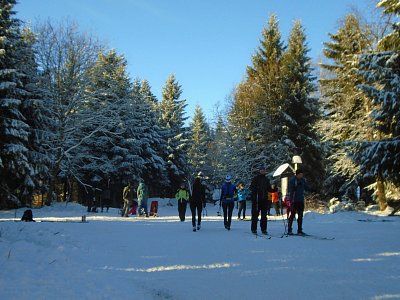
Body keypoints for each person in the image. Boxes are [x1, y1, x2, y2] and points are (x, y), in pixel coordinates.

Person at [250, 165, 272, 235]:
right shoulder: (256, 178)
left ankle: (264, 229)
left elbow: (269, 189)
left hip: (264, 200)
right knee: (255, 215)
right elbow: (251, 187)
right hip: (256, 200)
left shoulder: (266, 179)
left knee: (264, 216)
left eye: (264, 170)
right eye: (261, 170)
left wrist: (274, 190)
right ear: (259, 171)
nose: (263, 171)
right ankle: (254, 229)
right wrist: (255, 190)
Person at [288, 169, 308, 235]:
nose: (301, 175)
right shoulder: (293, 180)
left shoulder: (302, 180)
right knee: (292, 215)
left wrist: (313, 189)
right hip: (294, 200)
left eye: (302, 174)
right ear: (297, 174)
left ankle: (299, 230)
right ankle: (289, 229)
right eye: (300, 174)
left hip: (300, 200)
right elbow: (290, 188)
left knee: (300, 216)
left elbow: (306, 187)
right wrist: (294, 188)